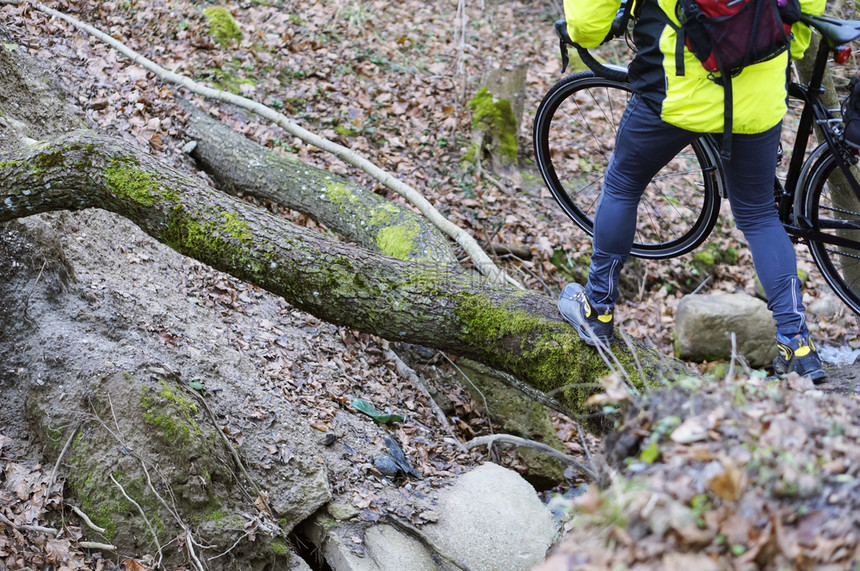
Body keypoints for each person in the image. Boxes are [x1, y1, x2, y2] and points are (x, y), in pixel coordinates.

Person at [557, 0, 828, 382]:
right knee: (760, 216)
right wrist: (781, 48)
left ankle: (597, 309)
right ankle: (797, 344)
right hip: (759, 89)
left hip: (676, 90)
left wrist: (583, 32)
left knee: (623, 185)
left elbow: (587, 23)